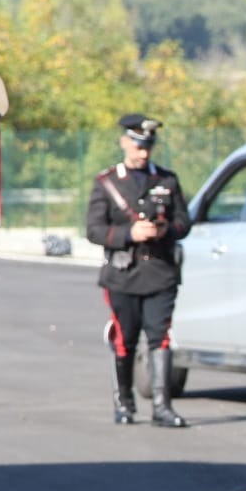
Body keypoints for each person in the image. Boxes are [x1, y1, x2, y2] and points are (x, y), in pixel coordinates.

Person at [86, 113, 192, 427]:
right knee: (125, 340)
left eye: (148, 146)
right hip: (123, 274)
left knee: (160, 339)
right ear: (124, 142)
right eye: (137, 144)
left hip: (160, 272)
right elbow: (93, 229)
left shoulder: (167, 180)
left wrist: (165, 230)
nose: (143, 152)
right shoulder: (106, 182)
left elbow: (184, 222)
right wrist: (128, 235)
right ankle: (124, 404)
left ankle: (162, 408)